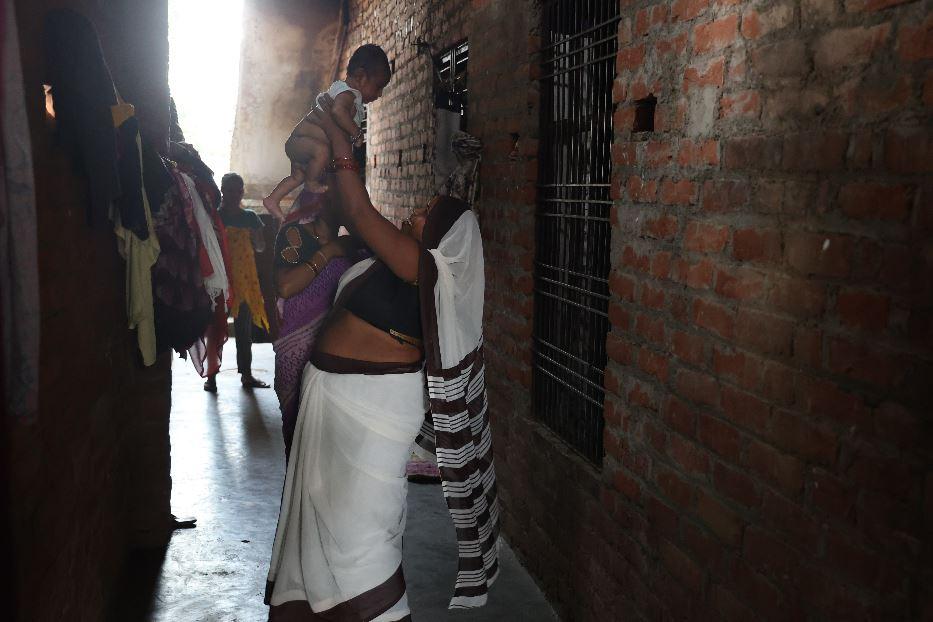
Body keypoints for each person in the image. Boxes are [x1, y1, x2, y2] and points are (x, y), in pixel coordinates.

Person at [265, 96, 499, 621]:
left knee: (358, 533)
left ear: (443, 239)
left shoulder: (422, 267)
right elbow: (338, 213)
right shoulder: (387, 264)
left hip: (369, 415)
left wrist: (343, 142)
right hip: (336, 401)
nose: (416, 212)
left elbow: (358, 209)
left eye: (428, 213)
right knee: (323, 523)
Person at [272, 193, 366, 458]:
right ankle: (297, 499)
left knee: (329, 445)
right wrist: (330, 251)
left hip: (336, 355)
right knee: (299, 438)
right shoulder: (294, 235)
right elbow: (286, 286)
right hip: (298, 349)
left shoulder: (354, 245)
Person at [262, 44, 392, 216]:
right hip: (302, 140)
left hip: (301, 143)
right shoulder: (349, 94)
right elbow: (338, 112)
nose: (380, 94)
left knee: (297, 177)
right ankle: (311, 183)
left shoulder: (346, 93)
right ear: (360, 77)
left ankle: (273, 200)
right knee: (321, 152)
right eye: (378, 87)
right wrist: (356, 132)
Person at [204, 172, 271, 392]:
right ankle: (211, 376)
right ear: (222, 190)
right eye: (229, 190)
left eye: (237, 190)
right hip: (221, 281)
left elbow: (261, 247)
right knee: (216, 328)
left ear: (242, 192)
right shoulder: (215, 218)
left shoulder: (251, 218)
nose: (233, 194)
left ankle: (247, 374)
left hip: (244, 282)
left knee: (244, 330)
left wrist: (255, 238)